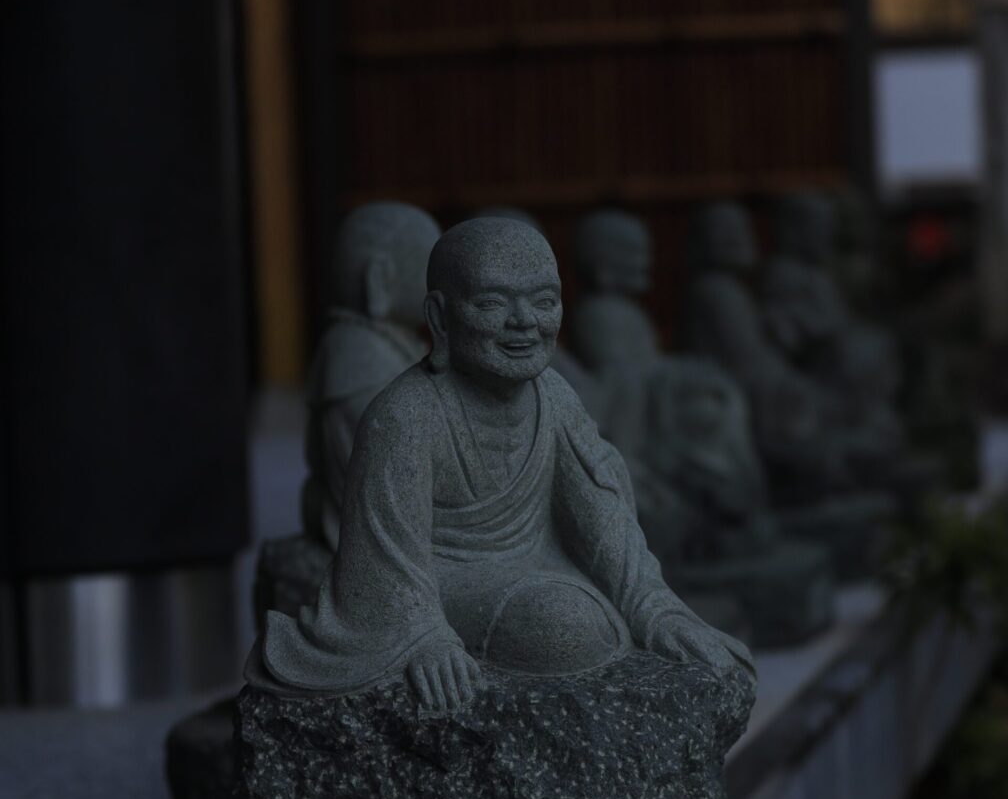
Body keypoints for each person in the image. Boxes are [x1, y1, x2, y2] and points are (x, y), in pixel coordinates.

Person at [254, 217, 751, 710]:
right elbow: (387, 559)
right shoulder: (405, 414)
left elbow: (600, 514)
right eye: (493, 303)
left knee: (598, 609)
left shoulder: (554, 396)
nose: (525, 321)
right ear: (440, 318)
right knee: (565, 625)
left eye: (545, 301)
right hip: (448, 576)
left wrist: (654, 607)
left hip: (540, 566)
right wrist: (425, 636)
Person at [300, 201, 440, 550]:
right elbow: (387, 470)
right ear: (380, 278)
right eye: (432, 269)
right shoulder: (358, 355)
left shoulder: (391, 342)